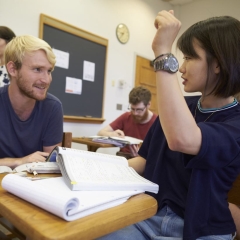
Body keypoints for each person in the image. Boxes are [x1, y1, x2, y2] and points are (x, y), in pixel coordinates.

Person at [98, 10, 240, 240]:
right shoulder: (180, 106)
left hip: (199, 230)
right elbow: (144, 161)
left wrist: (163, 52)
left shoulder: (235, 122)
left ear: (219, 64)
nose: (181, 67)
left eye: (189, 57)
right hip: (147, 216)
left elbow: (183, 139)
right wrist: (98, 167)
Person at [0, 35, 63, 168]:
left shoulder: (52, 107)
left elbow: (52, 166)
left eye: (49, 71)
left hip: (33, 183)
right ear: (12, 69)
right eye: (37, 69)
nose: (46, 80)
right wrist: (19, 161)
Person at [97, 86, 157, 159]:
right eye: (132, 109)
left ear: (148, 105)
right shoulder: (127, 116)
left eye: (139, 110)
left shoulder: (156, 123)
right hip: (123, 156)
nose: (135, 113)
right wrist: (112, 134)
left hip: (144, 160)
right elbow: (101, 132)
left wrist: (139, 157)